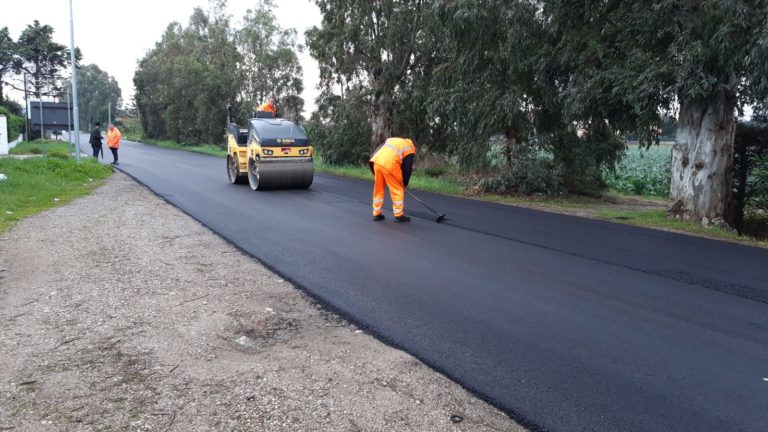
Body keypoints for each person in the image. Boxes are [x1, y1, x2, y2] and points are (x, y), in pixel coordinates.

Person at [369, 137, 416, 222]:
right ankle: (399, 215)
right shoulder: (409, 149)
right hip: (390, 165)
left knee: (378, 189)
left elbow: (377, 151)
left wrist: (373, 167)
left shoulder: (392, 141)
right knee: (397, 190)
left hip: (376, 162)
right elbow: (407, 169)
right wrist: (404, 184)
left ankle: (376, 213)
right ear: (413, 145)